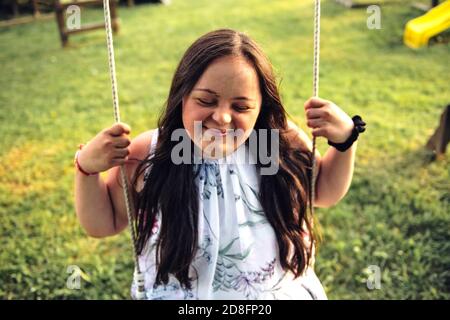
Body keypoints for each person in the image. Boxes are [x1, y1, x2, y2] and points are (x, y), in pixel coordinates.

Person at [74, 29, 363, 299]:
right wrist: (86, 169)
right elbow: (104, 223)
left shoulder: (276, 141)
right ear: (182, 95)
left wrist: (345, 140)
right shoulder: (153, 150)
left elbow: (323, 192)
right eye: (206, 100)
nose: (222, 118)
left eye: (241, 107)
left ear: (261, 107)